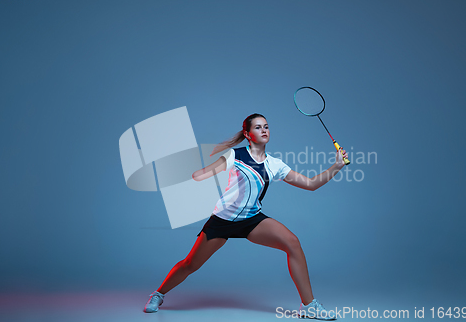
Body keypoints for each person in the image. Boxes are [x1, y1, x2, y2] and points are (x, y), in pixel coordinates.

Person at [144, 113, 348, 320]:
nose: (264, 130)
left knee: (292, 242)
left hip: (252, 220)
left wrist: (337, 166)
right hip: (222, 221)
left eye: (266, 126)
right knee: (190, 264)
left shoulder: (274, 164)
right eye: (258, 127)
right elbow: (200, 175)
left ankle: (309, 306)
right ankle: (158, 294)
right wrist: (191, 171)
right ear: (247, 134)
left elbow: (310, 184)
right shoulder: (235, 155)